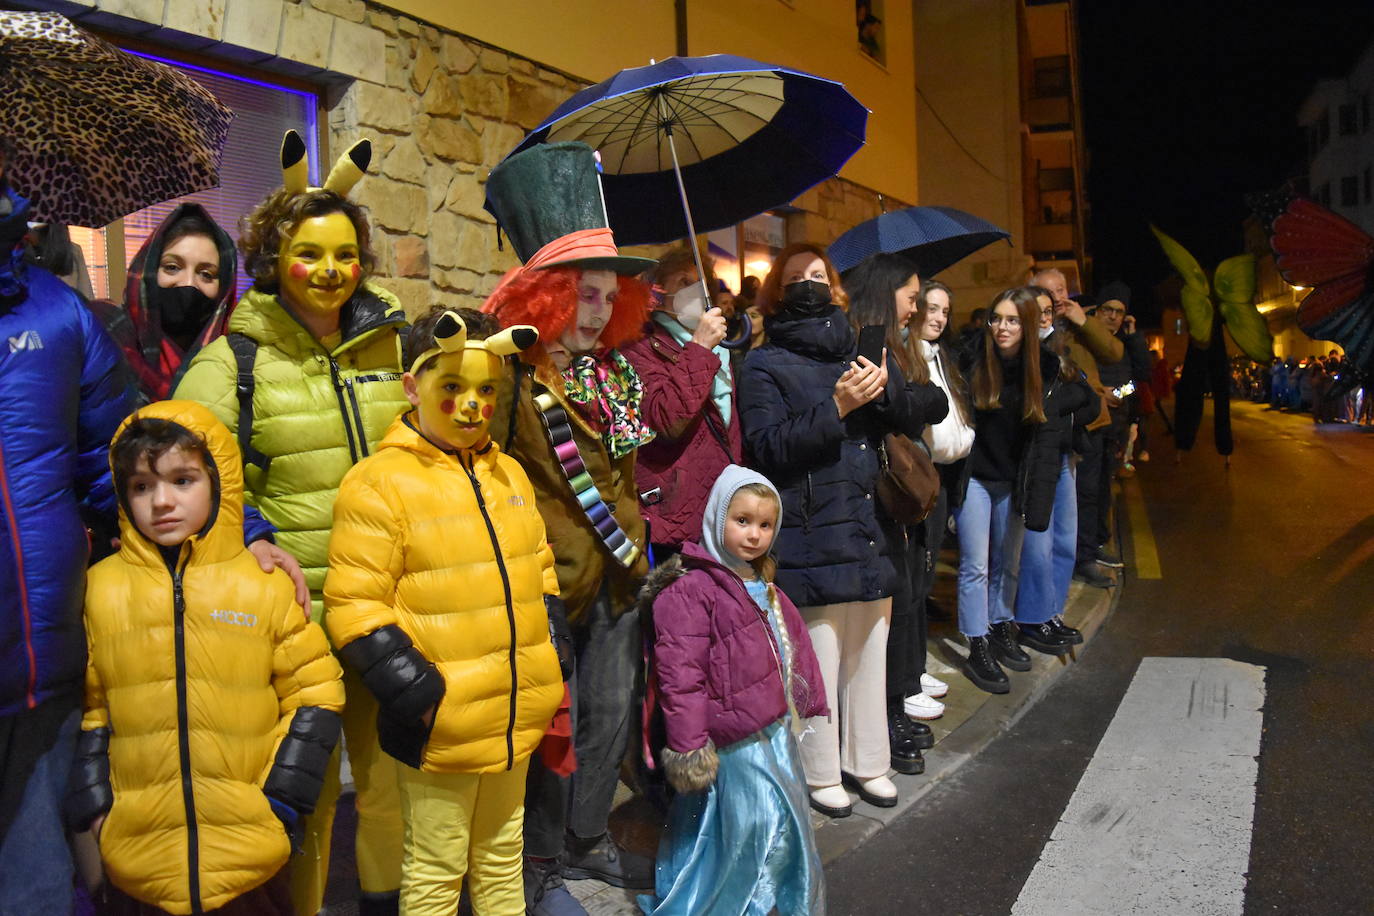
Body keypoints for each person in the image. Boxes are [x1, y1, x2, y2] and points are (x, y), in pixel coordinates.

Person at [175, 131, 410, 916]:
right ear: (275, 258)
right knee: (301, 794)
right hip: (300, 617)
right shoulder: (232, 362)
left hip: (386, 608)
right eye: (311, 253)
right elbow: (188, 476)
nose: (331, 270)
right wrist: (252, 538)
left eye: (346, 253)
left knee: (386, 788)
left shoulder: (390, 344)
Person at [325, 308, 565, 915]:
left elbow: (539, 566)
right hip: (444, 721)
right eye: (451, 388)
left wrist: (552, 651)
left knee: (501, 854)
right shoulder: (378, 483)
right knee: (434, 868)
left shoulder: (508, 472)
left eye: (487, 390)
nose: (471, 406)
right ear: (412, 387)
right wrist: (419, 693)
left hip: (514, 710)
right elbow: (355, 603)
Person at [66, 401, 345, 916]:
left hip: (252, 852)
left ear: (219, 482)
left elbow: (317, 694)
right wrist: (96, 807)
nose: (162, 501)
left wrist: (282, 800)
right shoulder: (100, 591)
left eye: (183, 480)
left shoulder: (260, 583)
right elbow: (92, 712)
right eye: (142, 486)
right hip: (139, 855)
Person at [481, 141, 658, 910]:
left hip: (617, 577)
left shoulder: (616, 372)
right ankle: (542, 856)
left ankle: (587, 839)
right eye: (581, 294)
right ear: (546, 297)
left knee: (607, 716)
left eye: (604, 296)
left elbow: (625, 475)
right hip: (545, 584)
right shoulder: (513, 376)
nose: (596, 309)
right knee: (551, 728)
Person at [0, 152, 138, 914]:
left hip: (38, 664)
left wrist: (237, 533)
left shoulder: (60, 314)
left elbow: (120, 461)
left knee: (36, 888)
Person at [737, 242, 905, 816]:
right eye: (795, 278)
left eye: (818, 275)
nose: (809, 284)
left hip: (865, 521)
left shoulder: (855, 352)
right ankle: (819, 771)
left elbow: (901, 420)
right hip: (810, 529)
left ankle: (869, 760)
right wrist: (833, 408)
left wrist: (885, 391)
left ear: (834, 287)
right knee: (819, 660)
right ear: (777, 295)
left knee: (869, 649)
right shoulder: (761, 363)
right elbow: (764, 448)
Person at [637, 466, 827, 915]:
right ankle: (742, 905)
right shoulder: (690, 590)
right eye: (741, 520)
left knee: (763, 824)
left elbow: (789, 647)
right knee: (757, 828)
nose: (755, 535)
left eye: (765, 525)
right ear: (717, 516)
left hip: (772, 730)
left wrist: (802, 700)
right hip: (733, 741)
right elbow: (680, 679)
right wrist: (689, 747)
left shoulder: (759, 582)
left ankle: (769, 898)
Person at [841, 253, 949, 776]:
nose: (916, 308)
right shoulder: (868, 341)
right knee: (889, 607)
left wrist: (922, 397)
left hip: (884, 493)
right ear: (888, 294)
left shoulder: (891, 341)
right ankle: (885, 715)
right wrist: (930, 399)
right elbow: (898, 408)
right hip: (870, 494)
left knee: (903, 601)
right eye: (911, 297)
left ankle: (894, 706)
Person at [955, 288, 1056, 693]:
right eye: (997, 318)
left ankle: (1000, 626)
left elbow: (1076, 405)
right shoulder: (973, 358)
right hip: (977, 478)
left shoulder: (1046, 366)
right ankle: (976, 643)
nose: (1002, 327)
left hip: (1015, 481)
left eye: (1012, 320)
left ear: (1028, 324)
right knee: (976, 565)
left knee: (1007, 564)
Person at [622, 245, 740, 562]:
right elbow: (664, 420)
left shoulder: (724, 351)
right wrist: (700, 347)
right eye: (682, 281)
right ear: (661, 291)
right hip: (674, 515)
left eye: (699, 281)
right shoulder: (641, 345)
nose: (693, 289)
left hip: (722, 511)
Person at [1012, 293, 1098, 658]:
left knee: (1064, 541)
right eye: (1039, 312)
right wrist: (1064, 404)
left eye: (1049, 312)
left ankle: (1052, 612)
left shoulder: (1061, 351)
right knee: (1038, 545)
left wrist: (1062, 406)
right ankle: (1033, 618)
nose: (1046, 318)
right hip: (1038, 461)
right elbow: (1035, 407)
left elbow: (1090, 400)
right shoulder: (1019, 354)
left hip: (1064, 456)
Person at [88, 204, 237, 403]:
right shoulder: (105, 334)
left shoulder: (240, 358)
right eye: (172, 267)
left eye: (206, 274)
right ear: (147, 270)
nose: (188, 283)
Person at [1031, 268, 1122, 590]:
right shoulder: (1033, 324)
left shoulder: (1082, 324)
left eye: (1061, 290)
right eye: (1048, 291)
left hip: (1090, 421)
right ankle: (1064, 561)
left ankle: (1084, 556)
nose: (1057, 298)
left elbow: (1113, 353)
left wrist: (1083, 321)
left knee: (1088, 494)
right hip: (1050, 428)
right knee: (1057, 501)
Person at [913, 279, 974, 680]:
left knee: (928, 570)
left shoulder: (941, 356)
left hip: (944, 477)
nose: (937, 318)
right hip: (919, 477)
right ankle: (911, 670)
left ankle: (915, 665)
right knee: (918, 574)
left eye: (945, 312)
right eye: (931, 308)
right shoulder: (906, 358)